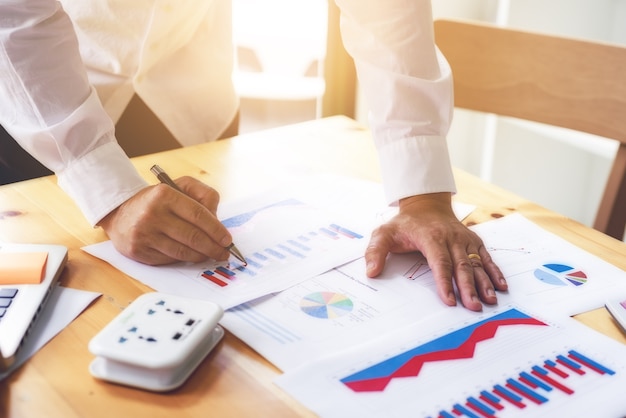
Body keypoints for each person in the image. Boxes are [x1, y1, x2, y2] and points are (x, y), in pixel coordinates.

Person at [0, 0, 507, 311]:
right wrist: (104, 187)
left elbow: (385, 11)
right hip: (37, 101)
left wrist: (423, 194)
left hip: (190, 95)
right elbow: (15, 14)